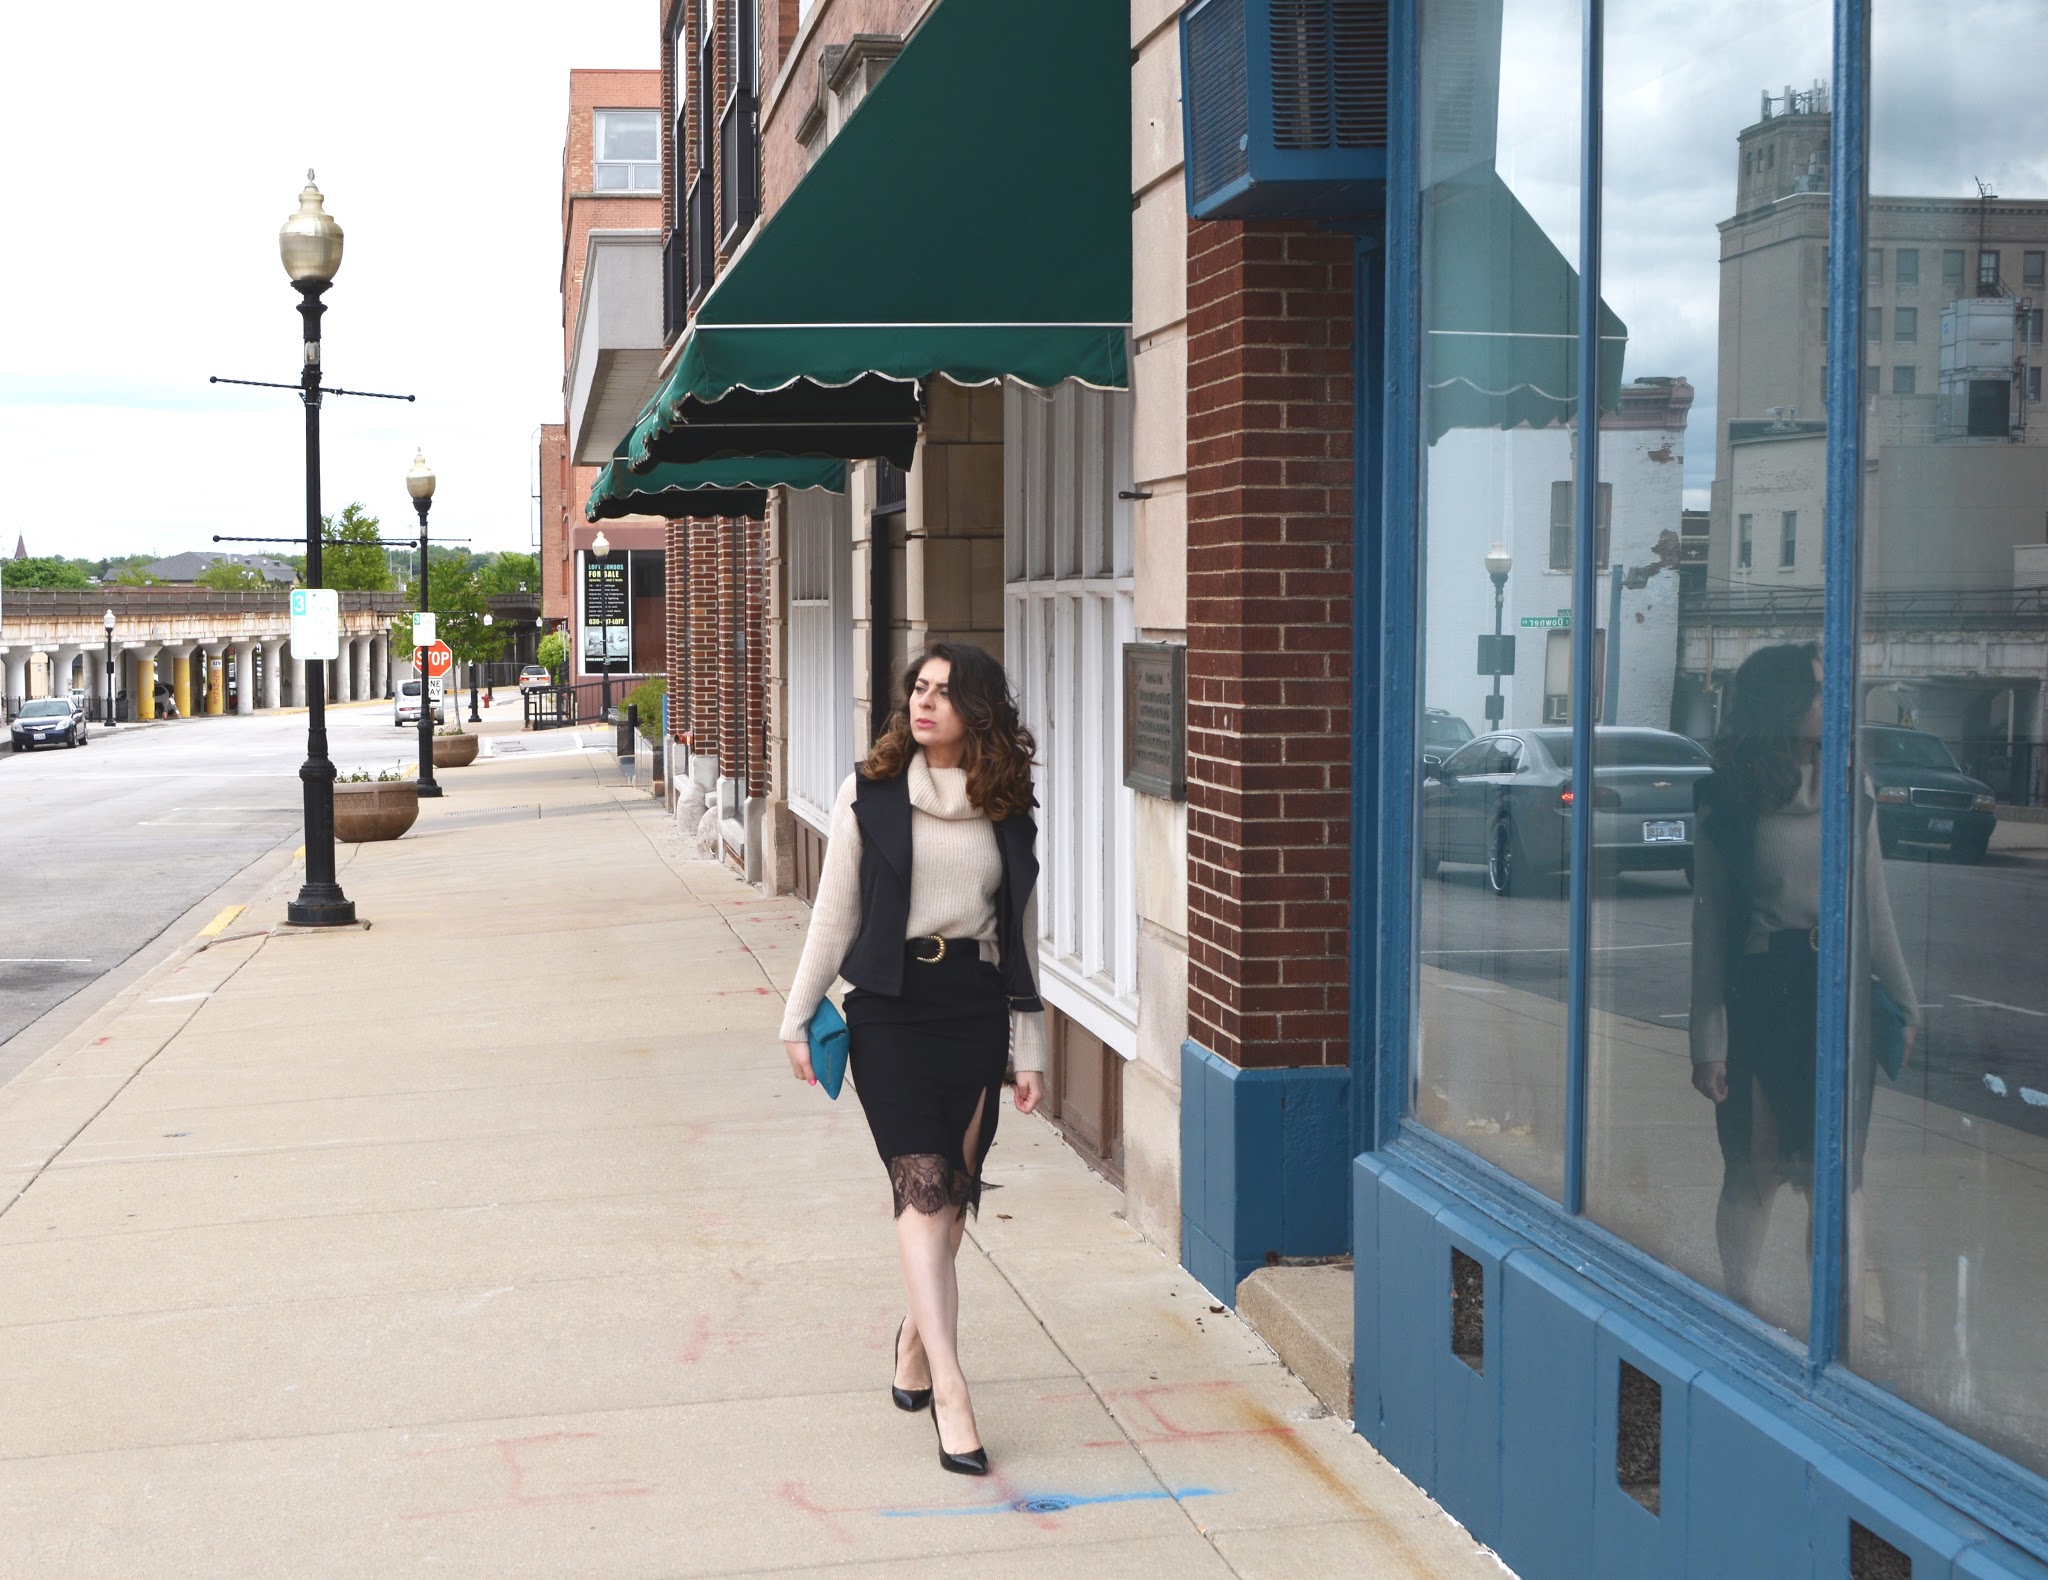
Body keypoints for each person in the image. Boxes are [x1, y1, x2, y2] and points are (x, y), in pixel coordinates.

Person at [779, 642, 1045, 1477]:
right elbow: (834, 912)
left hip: (972, 1012)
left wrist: (1028, 1045)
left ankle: (913, 1337)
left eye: (942, 693)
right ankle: (955, 1394)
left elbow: (1019, 936)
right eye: (917, 690)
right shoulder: (875, 794)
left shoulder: (1006, 806)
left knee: (952, 1206)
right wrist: (797, 1016)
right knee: (923, 1189)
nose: (923, 703)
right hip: (890, 1014)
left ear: (979, 711)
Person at [1689, 642, 1918, 1317]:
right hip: (1762, 990)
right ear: (1779, 704)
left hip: (1837, 995)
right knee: (1752, 1170)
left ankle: (1832, 1324)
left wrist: (1901, 1007)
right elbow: (1712, 927)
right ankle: (1743, 1306)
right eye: (1818, 692)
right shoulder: (1725, 795)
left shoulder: (1854, 788)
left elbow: (1874, 907)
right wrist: (1708, 1040)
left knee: (1834, 1179)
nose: (1829, 704)